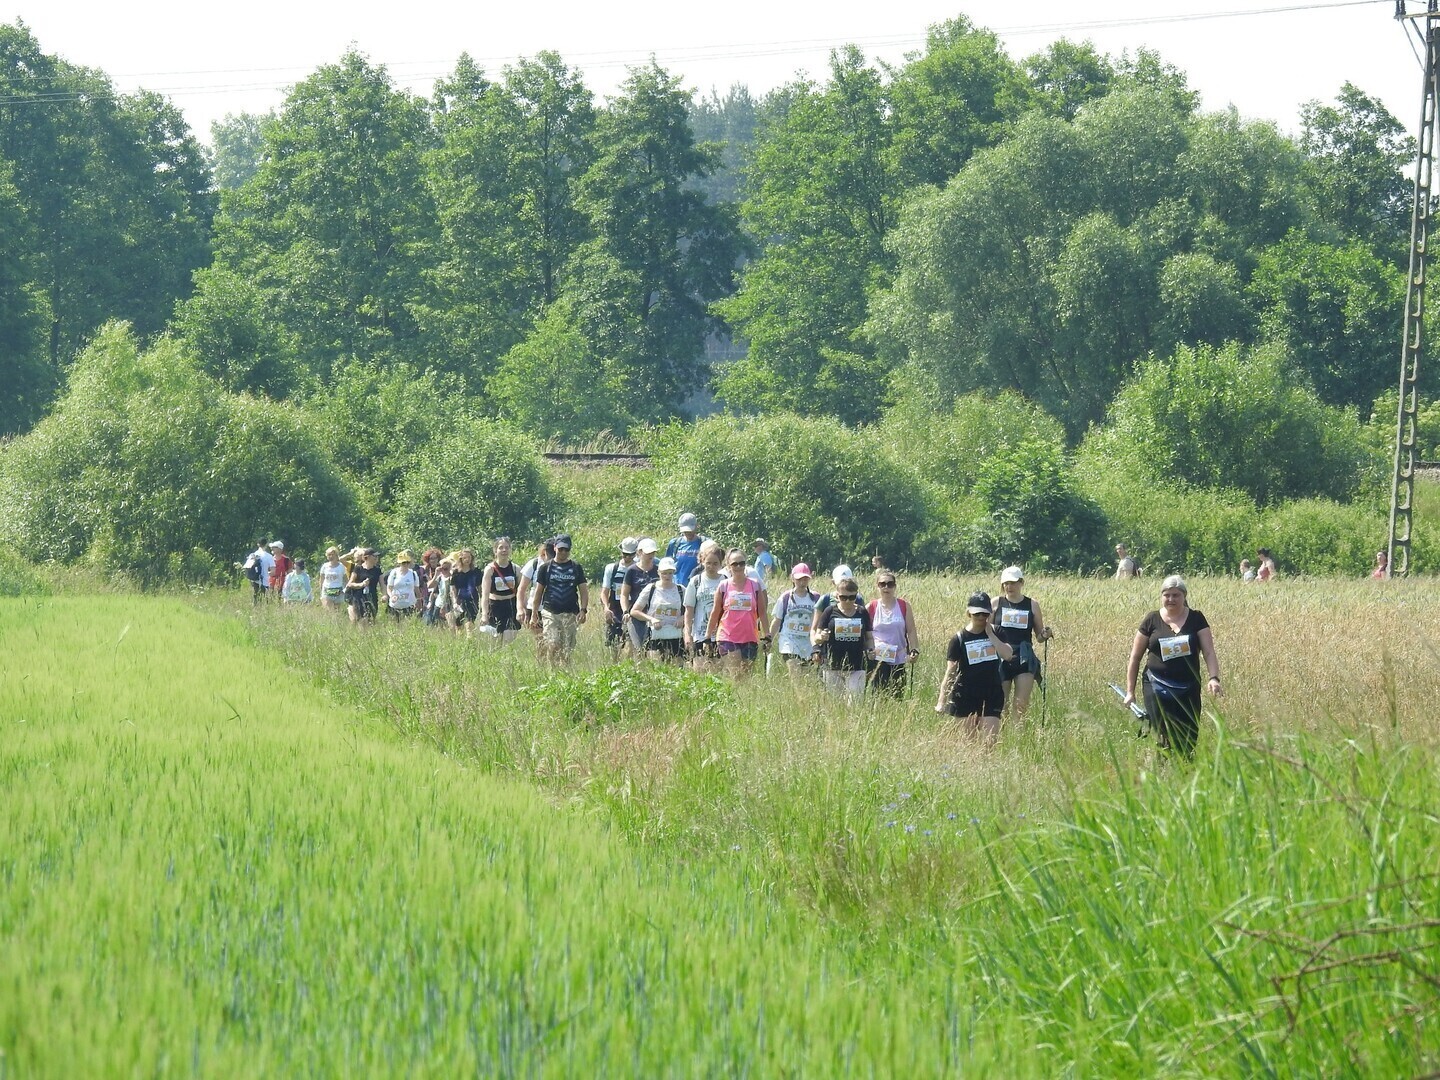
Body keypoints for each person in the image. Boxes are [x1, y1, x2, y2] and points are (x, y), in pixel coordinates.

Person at [1121, 574, 1222, 758]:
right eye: (1167, 595)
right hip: (1155, 684)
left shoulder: (1196, 618)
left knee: (1188, 733)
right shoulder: (1151, 619)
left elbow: (1209, 652)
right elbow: (1135, 658)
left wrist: (1214, 678)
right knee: (1162, 730)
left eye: (1176, 595)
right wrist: (1130, 691)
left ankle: (1184, 766)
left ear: (1184, 596)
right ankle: (1162, 764)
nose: (1171, 599)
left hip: (1188, 686)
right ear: (1161, 596)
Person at [935, 592, 1013, 741]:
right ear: (969, 613)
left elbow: (1008, 655)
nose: (981, 617)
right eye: (977, 614)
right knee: (969, 744)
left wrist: (991, 635)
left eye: (985, 613)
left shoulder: (998, 632)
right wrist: (941, 700)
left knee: (989, 742)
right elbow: (950, 671)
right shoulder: (958, 639)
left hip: (992, 692)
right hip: (965, 694)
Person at [993, 566, 1053, 720]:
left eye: (1013, 583)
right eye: (1006, 583)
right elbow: (985, 629)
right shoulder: (995, 603)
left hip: (1024, 657)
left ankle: (1018, 739)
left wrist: (1045, 634)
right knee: (1000, 705)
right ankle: (1000, 739)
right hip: (1000, 658)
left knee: (1021, 706)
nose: (1009, 587)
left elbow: (1039, 636)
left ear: (1021, 583)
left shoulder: (1032, 604)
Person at [706, 547, 769, 675]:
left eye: (742, 563)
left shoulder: (755, 585)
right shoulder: (723, 586)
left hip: (750, 636)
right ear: (729, 566)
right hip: (728, 636)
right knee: (735, 674)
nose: (738, 566)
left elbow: (762, 612)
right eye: (735, 564)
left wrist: (767, 635)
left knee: (746, 676)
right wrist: (707, 637)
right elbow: (715, 612)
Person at [813, 575, 873, 700]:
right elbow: (816, 636)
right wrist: (821, 637)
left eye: (852, 597)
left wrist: (871, 650)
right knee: (836, 704)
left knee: (854, 703)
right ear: (837, 596)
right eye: (843, 597)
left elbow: (869, 637)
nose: (847, 601)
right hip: (832, 666)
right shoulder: (829, 611)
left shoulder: (862, 612)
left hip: (857, 665)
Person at [532, 534, 588, 664]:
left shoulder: (575, 567)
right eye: (560, 549)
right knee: (553, 643)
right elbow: (539, 591)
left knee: (567, 648)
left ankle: (565, 672)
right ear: (555, 548)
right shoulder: (545, 568)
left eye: (566, 550)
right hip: (550, 612)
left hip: (570, 613)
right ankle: (552, 670)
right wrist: (534, 612)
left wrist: (583, 610)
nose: (563, 552)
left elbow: (583, 590)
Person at [867, 570, 919, 697]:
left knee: (897, 695)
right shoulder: (871, 607)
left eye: (890, 584)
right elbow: (866, 633)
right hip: (878, 657)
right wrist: (869, 649)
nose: (886, 587)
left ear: (895, 586)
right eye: (882, 584)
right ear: (877, 586)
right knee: (878, 695)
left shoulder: (904, 605)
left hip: (899, 657)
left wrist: (914, 650)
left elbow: (911, 630)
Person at [630, 557, 686, 662]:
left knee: (677, 668)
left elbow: (691, 610)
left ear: (674, 572)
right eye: (664, 573)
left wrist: (682, 618)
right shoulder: (651, 589)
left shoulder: (681, 589)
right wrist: (651, 619)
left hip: (675, 634)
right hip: (655, 634)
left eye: (670, 573)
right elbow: (634, 611)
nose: (667, 576)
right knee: (656, 667)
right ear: (658, 573)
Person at [769, 563, 820, 676]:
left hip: (808, 643)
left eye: (805, 579)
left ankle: (802, 694)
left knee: (806, 676)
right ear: (792, 578)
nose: (802, 583)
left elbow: (820, 621)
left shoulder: (815, 598)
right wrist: (769, 639)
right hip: (789, 641)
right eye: (799, 579)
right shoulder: (785, 597)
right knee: (795, 673)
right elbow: (777, 620)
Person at [683, 541, 726, 669]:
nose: (711, 566)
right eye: (708, 563)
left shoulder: (725, 581)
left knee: (717, 672)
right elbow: (689, 610)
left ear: (721, 564)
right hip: (699, 633)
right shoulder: (696, 581)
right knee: (700, 670)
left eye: (715, 563)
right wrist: (687, 633)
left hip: (721, 634)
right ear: (702, 561)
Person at [600, 538, 639, 657]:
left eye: (631, 555)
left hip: (632, 608)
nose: (627, 557)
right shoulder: (611, 568)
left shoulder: (638, 569)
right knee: (613, 646)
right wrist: (606, 608)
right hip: (615, 609)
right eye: (625, 554)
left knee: (630, 644)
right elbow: (604, 592)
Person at [621, 538, 660, 657]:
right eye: (648, 553)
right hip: (636, 615)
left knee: (654, 650)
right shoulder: (631, 571)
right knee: (639, 649)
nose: (650, 556)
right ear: (639, 552)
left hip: (655, 615)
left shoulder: (658, 570)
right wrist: (625, 611)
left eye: (653, 553)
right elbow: (624, 594)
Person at [480, 537, 523, 643]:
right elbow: (485, 595)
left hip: (511, 606)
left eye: (506, 548)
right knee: (495, 642)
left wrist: (522, 610)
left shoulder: (515, 569)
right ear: (495, 551)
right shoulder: (490, 569)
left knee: (508, 642)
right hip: (494, 607)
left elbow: (521, 592)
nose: (504, 550)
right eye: (501, 548)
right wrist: (484, 614)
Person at [517, 540, 554, 637]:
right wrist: (520, 608)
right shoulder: (534, 564)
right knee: (540, 641)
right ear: (544, 552)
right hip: (535, 609)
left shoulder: (560, 564)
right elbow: (521, 589)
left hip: (554, 608)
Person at [665, 513, 708, 587]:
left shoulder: (704, 543)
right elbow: (667, 565)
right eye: (686, 531)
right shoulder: (674, 544)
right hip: (678, 586)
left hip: (698, 586)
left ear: (696, 526)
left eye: (691, 530)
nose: (688, 533)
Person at [344, 549, 382, 623]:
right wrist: (361, 585)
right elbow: (350, 584)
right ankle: (361, 633)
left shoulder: (377, 570)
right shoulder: (358, 569)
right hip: (359, 598)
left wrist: (384, 595)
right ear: (367, 557)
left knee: (371, 619)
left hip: (372, 597)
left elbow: (382, 584)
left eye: (377, 556)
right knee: (361, 620)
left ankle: (369, 634)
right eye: (374, 556)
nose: (376, 558)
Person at [450, 549, 482, 632]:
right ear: (461, 559)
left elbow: (480, 588)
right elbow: (453, 588)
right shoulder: (456, 572)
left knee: (469, 623)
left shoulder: (476, 572)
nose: (467, 559)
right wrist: (454, 601)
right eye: (464, 558)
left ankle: (469, 642)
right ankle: (459, 642)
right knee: (458, 624)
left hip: (473, 601)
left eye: (469, 557)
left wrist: (482, 601)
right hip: (460, 601)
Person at [386, 551, 421, 619]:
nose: (406, 564)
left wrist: (419, 602)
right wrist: (391, 596)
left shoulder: (413, 574)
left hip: (409, 604)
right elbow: (389, 588)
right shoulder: (394, 573)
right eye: (404, 563)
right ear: (400, 563)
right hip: (395, 605)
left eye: (408, 562)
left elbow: (417, 589)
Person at [426, 556, 455, 627]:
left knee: (451, 626)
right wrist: (436, 574)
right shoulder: (440, 578)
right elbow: (429, 586)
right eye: (442, 568)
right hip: (438, 604)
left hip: (449, 605)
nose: (444, 571)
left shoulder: (452, 579)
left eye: (446, 569)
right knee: (438, 626)